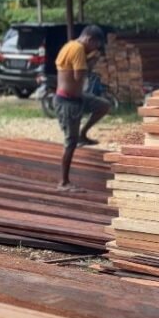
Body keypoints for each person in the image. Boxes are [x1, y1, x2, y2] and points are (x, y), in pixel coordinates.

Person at [54, 25, 112, 192]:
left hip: (77, 97)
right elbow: (79, 76)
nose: (95, 49)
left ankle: (83, 134)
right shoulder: (78, 49)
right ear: (89, 39)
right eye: (95, 45)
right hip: (67, 101)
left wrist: (90, 60)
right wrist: (91, 63)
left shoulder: (71, 46)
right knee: (70, 143)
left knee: (103, 106)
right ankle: (63, 182)